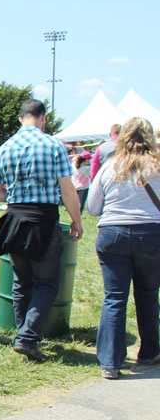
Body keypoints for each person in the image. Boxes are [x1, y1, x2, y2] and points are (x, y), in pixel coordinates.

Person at [0, 99, 83, 362]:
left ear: (21, 119)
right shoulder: (53, 145)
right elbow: (67, 189)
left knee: (21, 281)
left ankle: (23, 334)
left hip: (14, 218)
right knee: (47, 282)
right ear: (43, 118)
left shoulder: (2, 149)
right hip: (42, 219)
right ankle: (27, 337)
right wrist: (77, 220)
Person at [85, 117, 160, 380]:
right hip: (151, 233)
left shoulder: (110, 167)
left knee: (114, 297)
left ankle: (110, 361)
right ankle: (149, 351)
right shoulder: (158, 166)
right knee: (148, 293)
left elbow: (92, 207)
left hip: (113, 233)